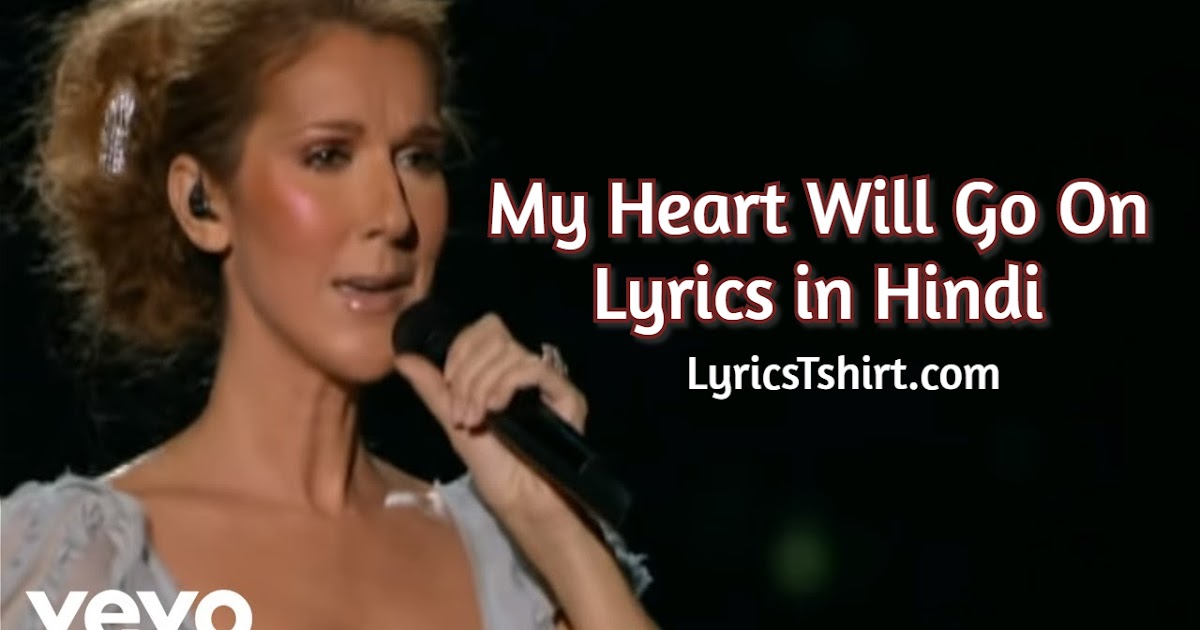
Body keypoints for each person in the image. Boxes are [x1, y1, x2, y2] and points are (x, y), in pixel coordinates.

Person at [0, 0, 654, 628]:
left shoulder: (514, 565)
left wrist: (552, 527)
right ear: (203, 202)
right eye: (328, 156)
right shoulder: (83, 564)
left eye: (417, 158)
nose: (394, 216)